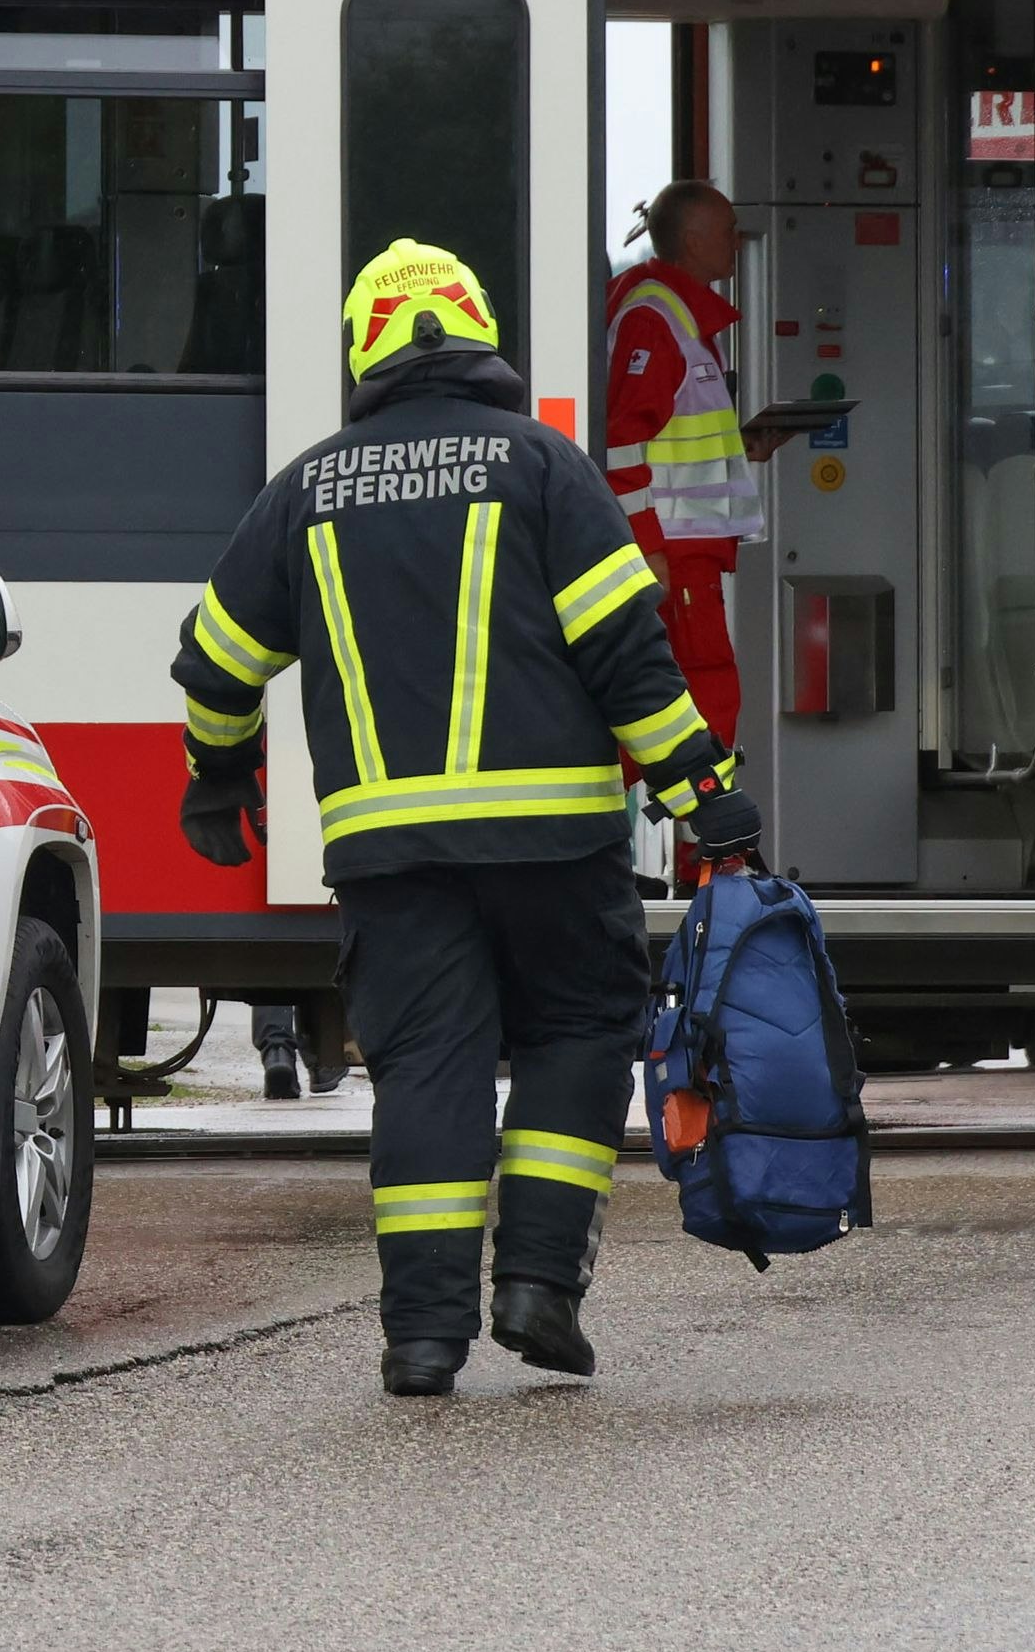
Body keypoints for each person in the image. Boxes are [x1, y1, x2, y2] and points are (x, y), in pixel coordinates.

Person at [175, 240, 756, 1397]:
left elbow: (218, 661)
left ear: (365, 350)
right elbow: (627, 656)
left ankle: (422, 1339)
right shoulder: (542, 466)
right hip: (555, 842)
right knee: (578, 1035)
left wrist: (218, 773)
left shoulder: (306, 489)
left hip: (389, 855)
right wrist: (703, 795)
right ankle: (537, 1286)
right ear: (478, 330)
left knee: (427, 1070)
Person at [602, 182, 806, 752]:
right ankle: (709, 811)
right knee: (704, 695)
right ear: (693, 241)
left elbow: (667, 434)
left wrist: (741, 446)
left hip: (684, 552)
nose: (738, 242)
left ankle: (703, 807)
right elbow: (621, 446)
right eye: (728, 232)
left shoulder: (674, 316)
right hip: (675, 553)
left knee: (686, 695)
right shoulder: (658, 320)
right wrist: (649, 549)